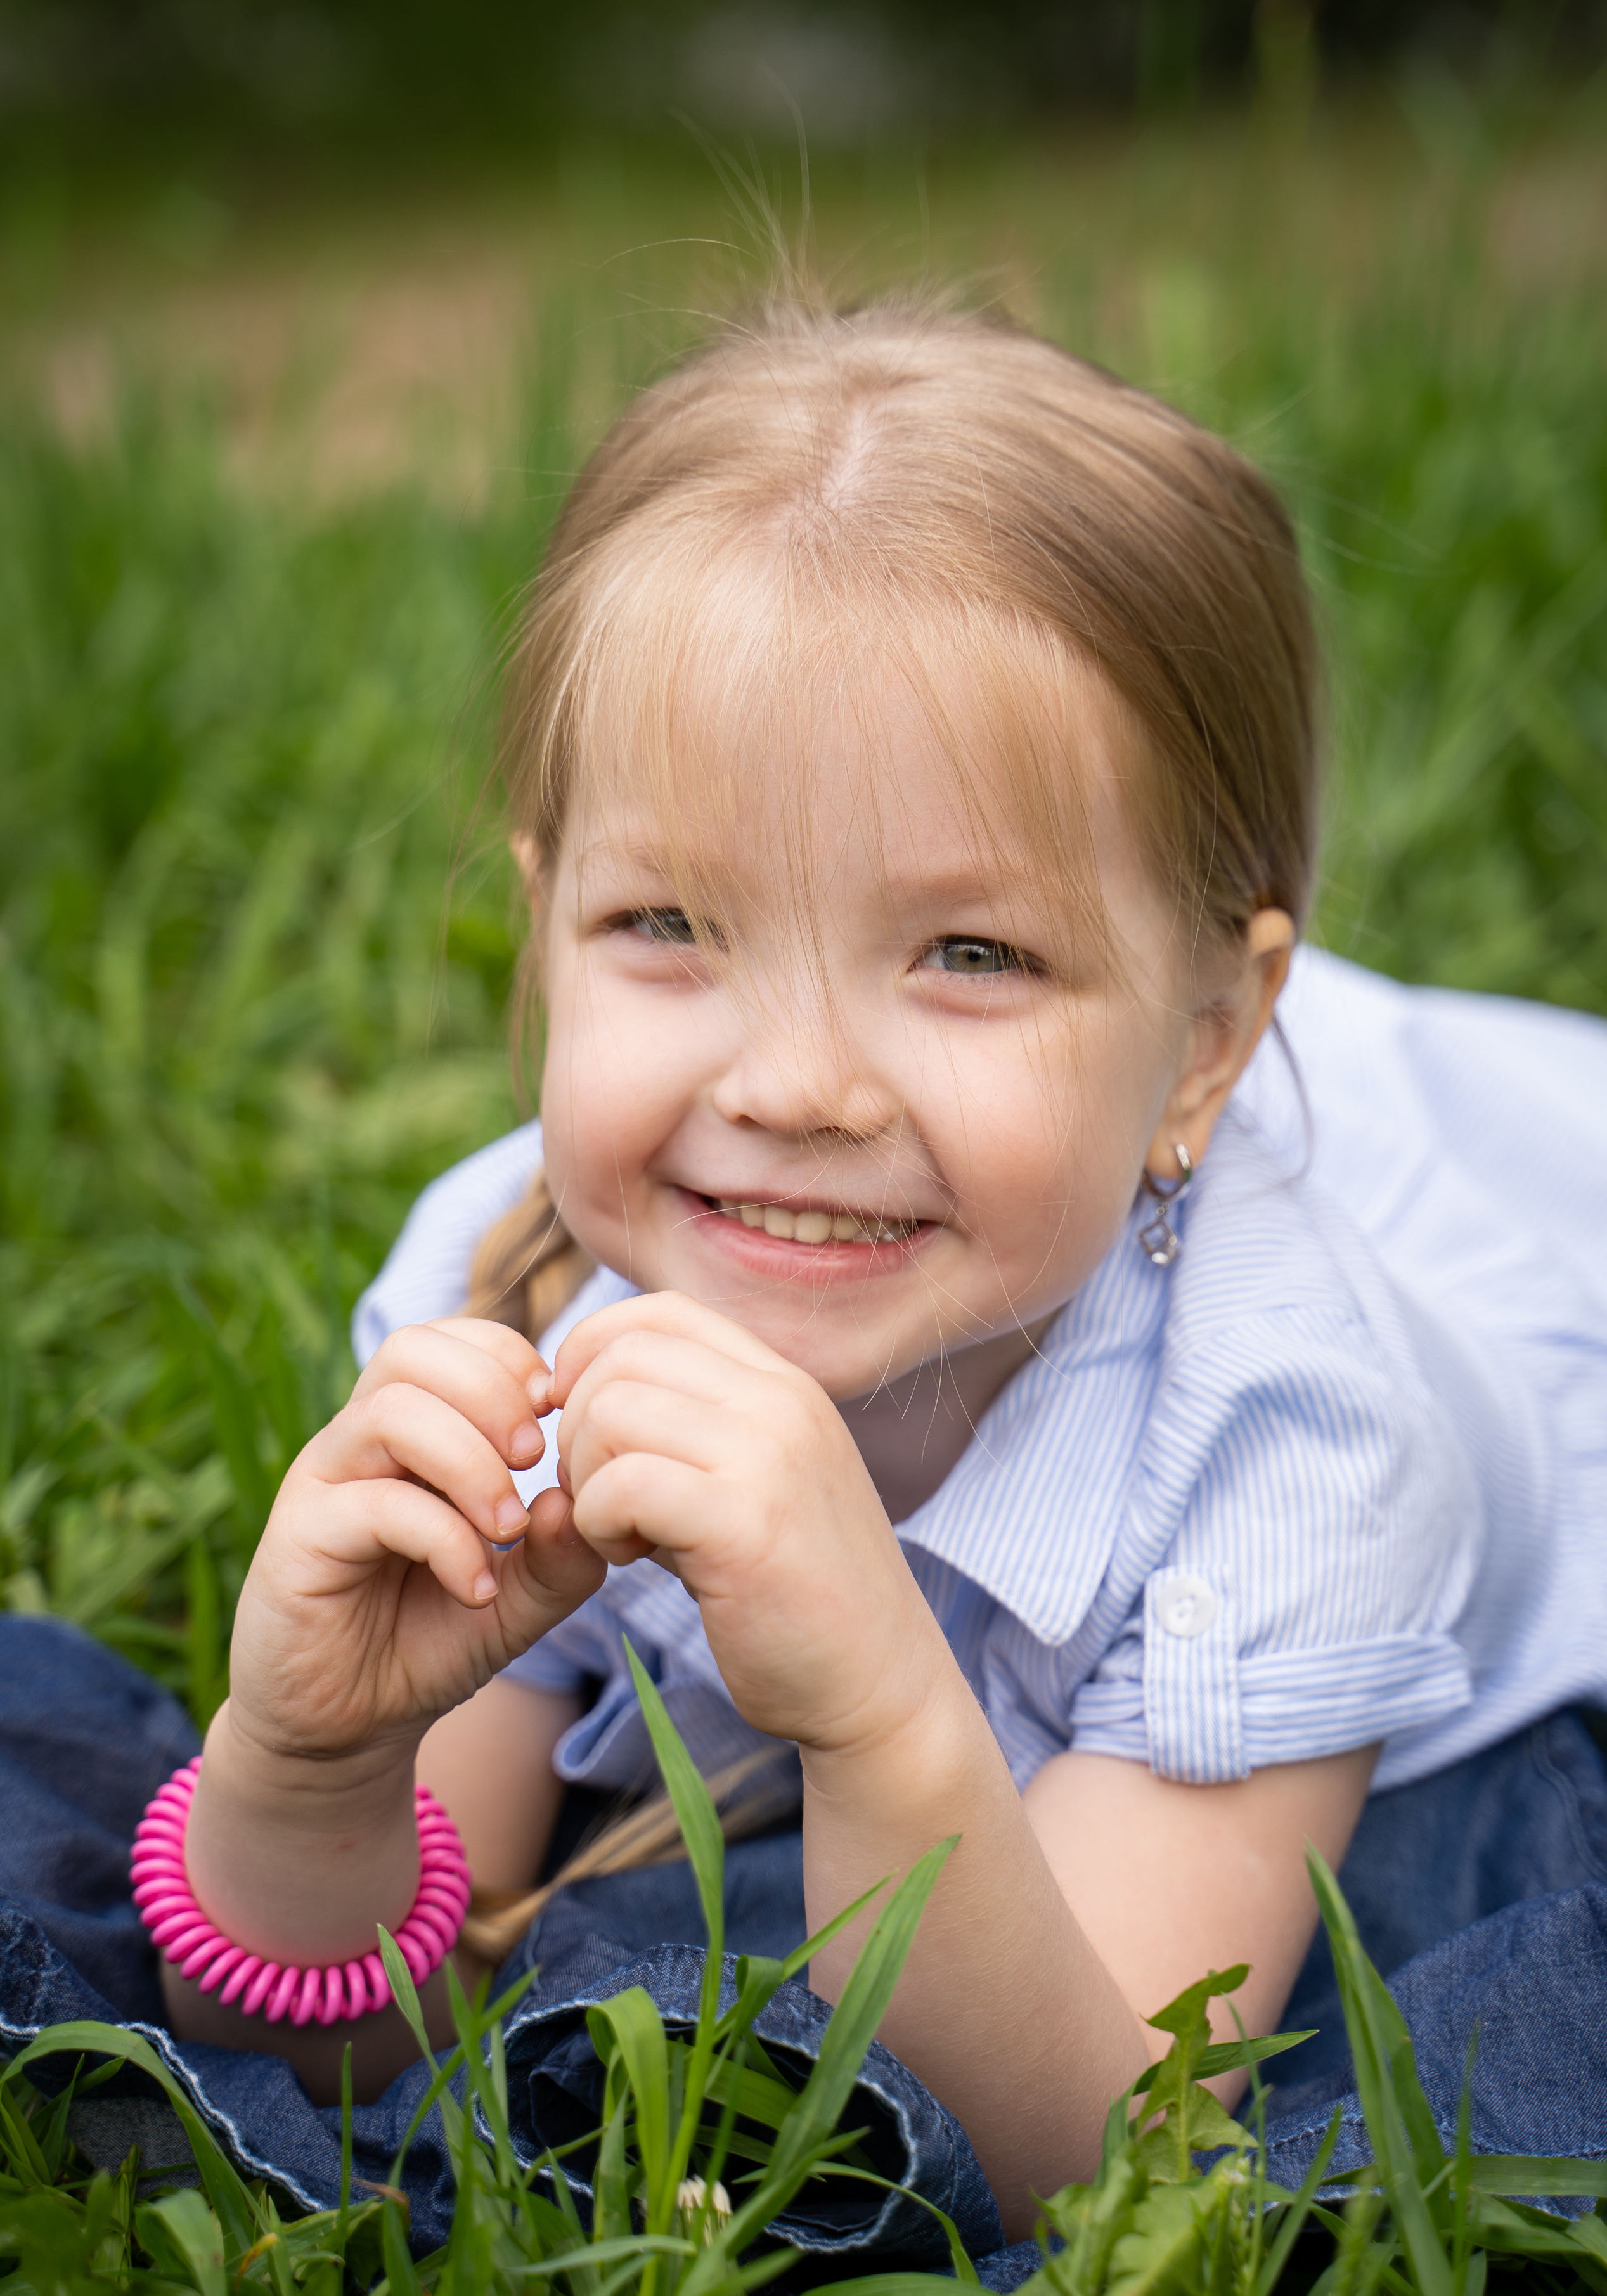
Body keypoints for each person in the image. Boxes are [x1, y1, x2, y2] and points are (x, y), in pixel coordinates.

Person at [141, 302, 1607, 2234]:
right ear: (544, 926)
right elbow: (342, 2052)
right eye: (669, 922)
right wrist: (310, 1763)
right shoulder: (514, 1295)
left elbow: (1099, 2163)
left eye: (970, 954)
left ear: (1203, 1047)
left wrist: (880, 1705)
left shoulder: (1296, 1441)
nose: (800, 1086)